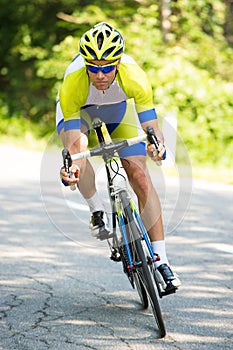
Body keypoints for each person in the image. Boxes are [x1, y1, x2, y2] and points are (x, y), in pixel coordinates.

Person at [57, 22, 181, 293]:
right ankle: (96, 211)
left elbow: (151, 128)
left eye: (107, 67)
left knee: (140, 175)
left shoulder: (134, 75)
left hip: (119, 112)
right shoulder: (73, 82)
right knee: (82, 151)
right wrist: (72, 169)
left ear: (118, 62)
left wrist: (156, 147)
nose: (100, 74)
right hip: (81, 112)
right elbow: (76, 146)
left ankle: (161, 259)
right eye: (93, 67)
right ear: (86, 64)